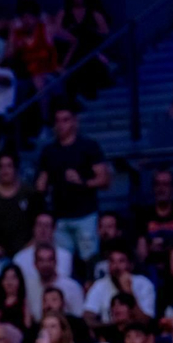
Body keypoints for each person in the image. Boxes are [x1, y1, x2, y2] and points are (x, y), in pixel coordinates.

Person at [34, 104, 111, 261]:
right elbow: (41, 183)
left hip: (85, 215)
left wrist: (82, 182)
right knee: (62, 262)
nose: (61, 125)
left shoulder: (88, 146)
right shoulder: (49, 151)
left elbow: (105, 180)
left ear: (75, 122)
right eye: (57, 121)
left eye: (65, 120)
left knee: (90, 260)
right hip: (60, 217)